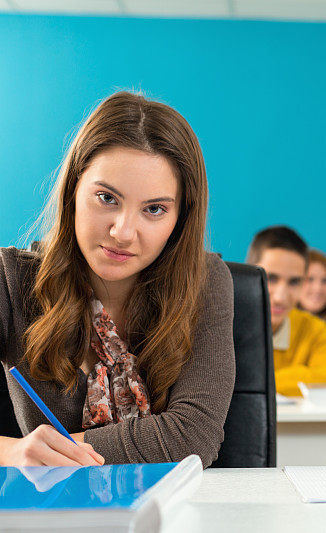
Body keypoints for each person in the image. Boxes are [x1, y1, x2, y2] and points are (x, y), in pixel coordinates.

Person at [0, 92, 235, 468]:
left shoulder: (206, 282)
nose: (123, 232)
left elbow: (195, 435)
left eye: (154, 209)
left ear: (180, 219)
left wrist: (64, 454)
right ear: (73, 191)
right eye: (107, 198)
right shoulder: (10, 279)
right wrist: (11, 451)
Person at [246, 226, 326, 396]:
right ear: (248, 275)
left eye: (294, 282)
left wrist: (262, 382)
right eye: (271, 278)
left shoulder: (311, 328)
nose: (280, 297)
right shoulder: (222, 324)